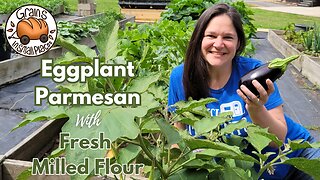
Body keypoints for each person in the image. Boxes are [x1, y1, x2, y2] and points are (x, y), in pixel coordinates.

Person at [167, 3, 320, 180]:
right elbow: (178, 134)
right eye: (211, 35)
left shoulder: (254, 73)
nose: (218, 44)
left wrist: (256, 109)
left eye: (228, 37)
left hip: (298, 157)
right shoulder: (181, 77)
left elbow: (276, 139)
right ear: (199, 38)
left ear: (238, 42)